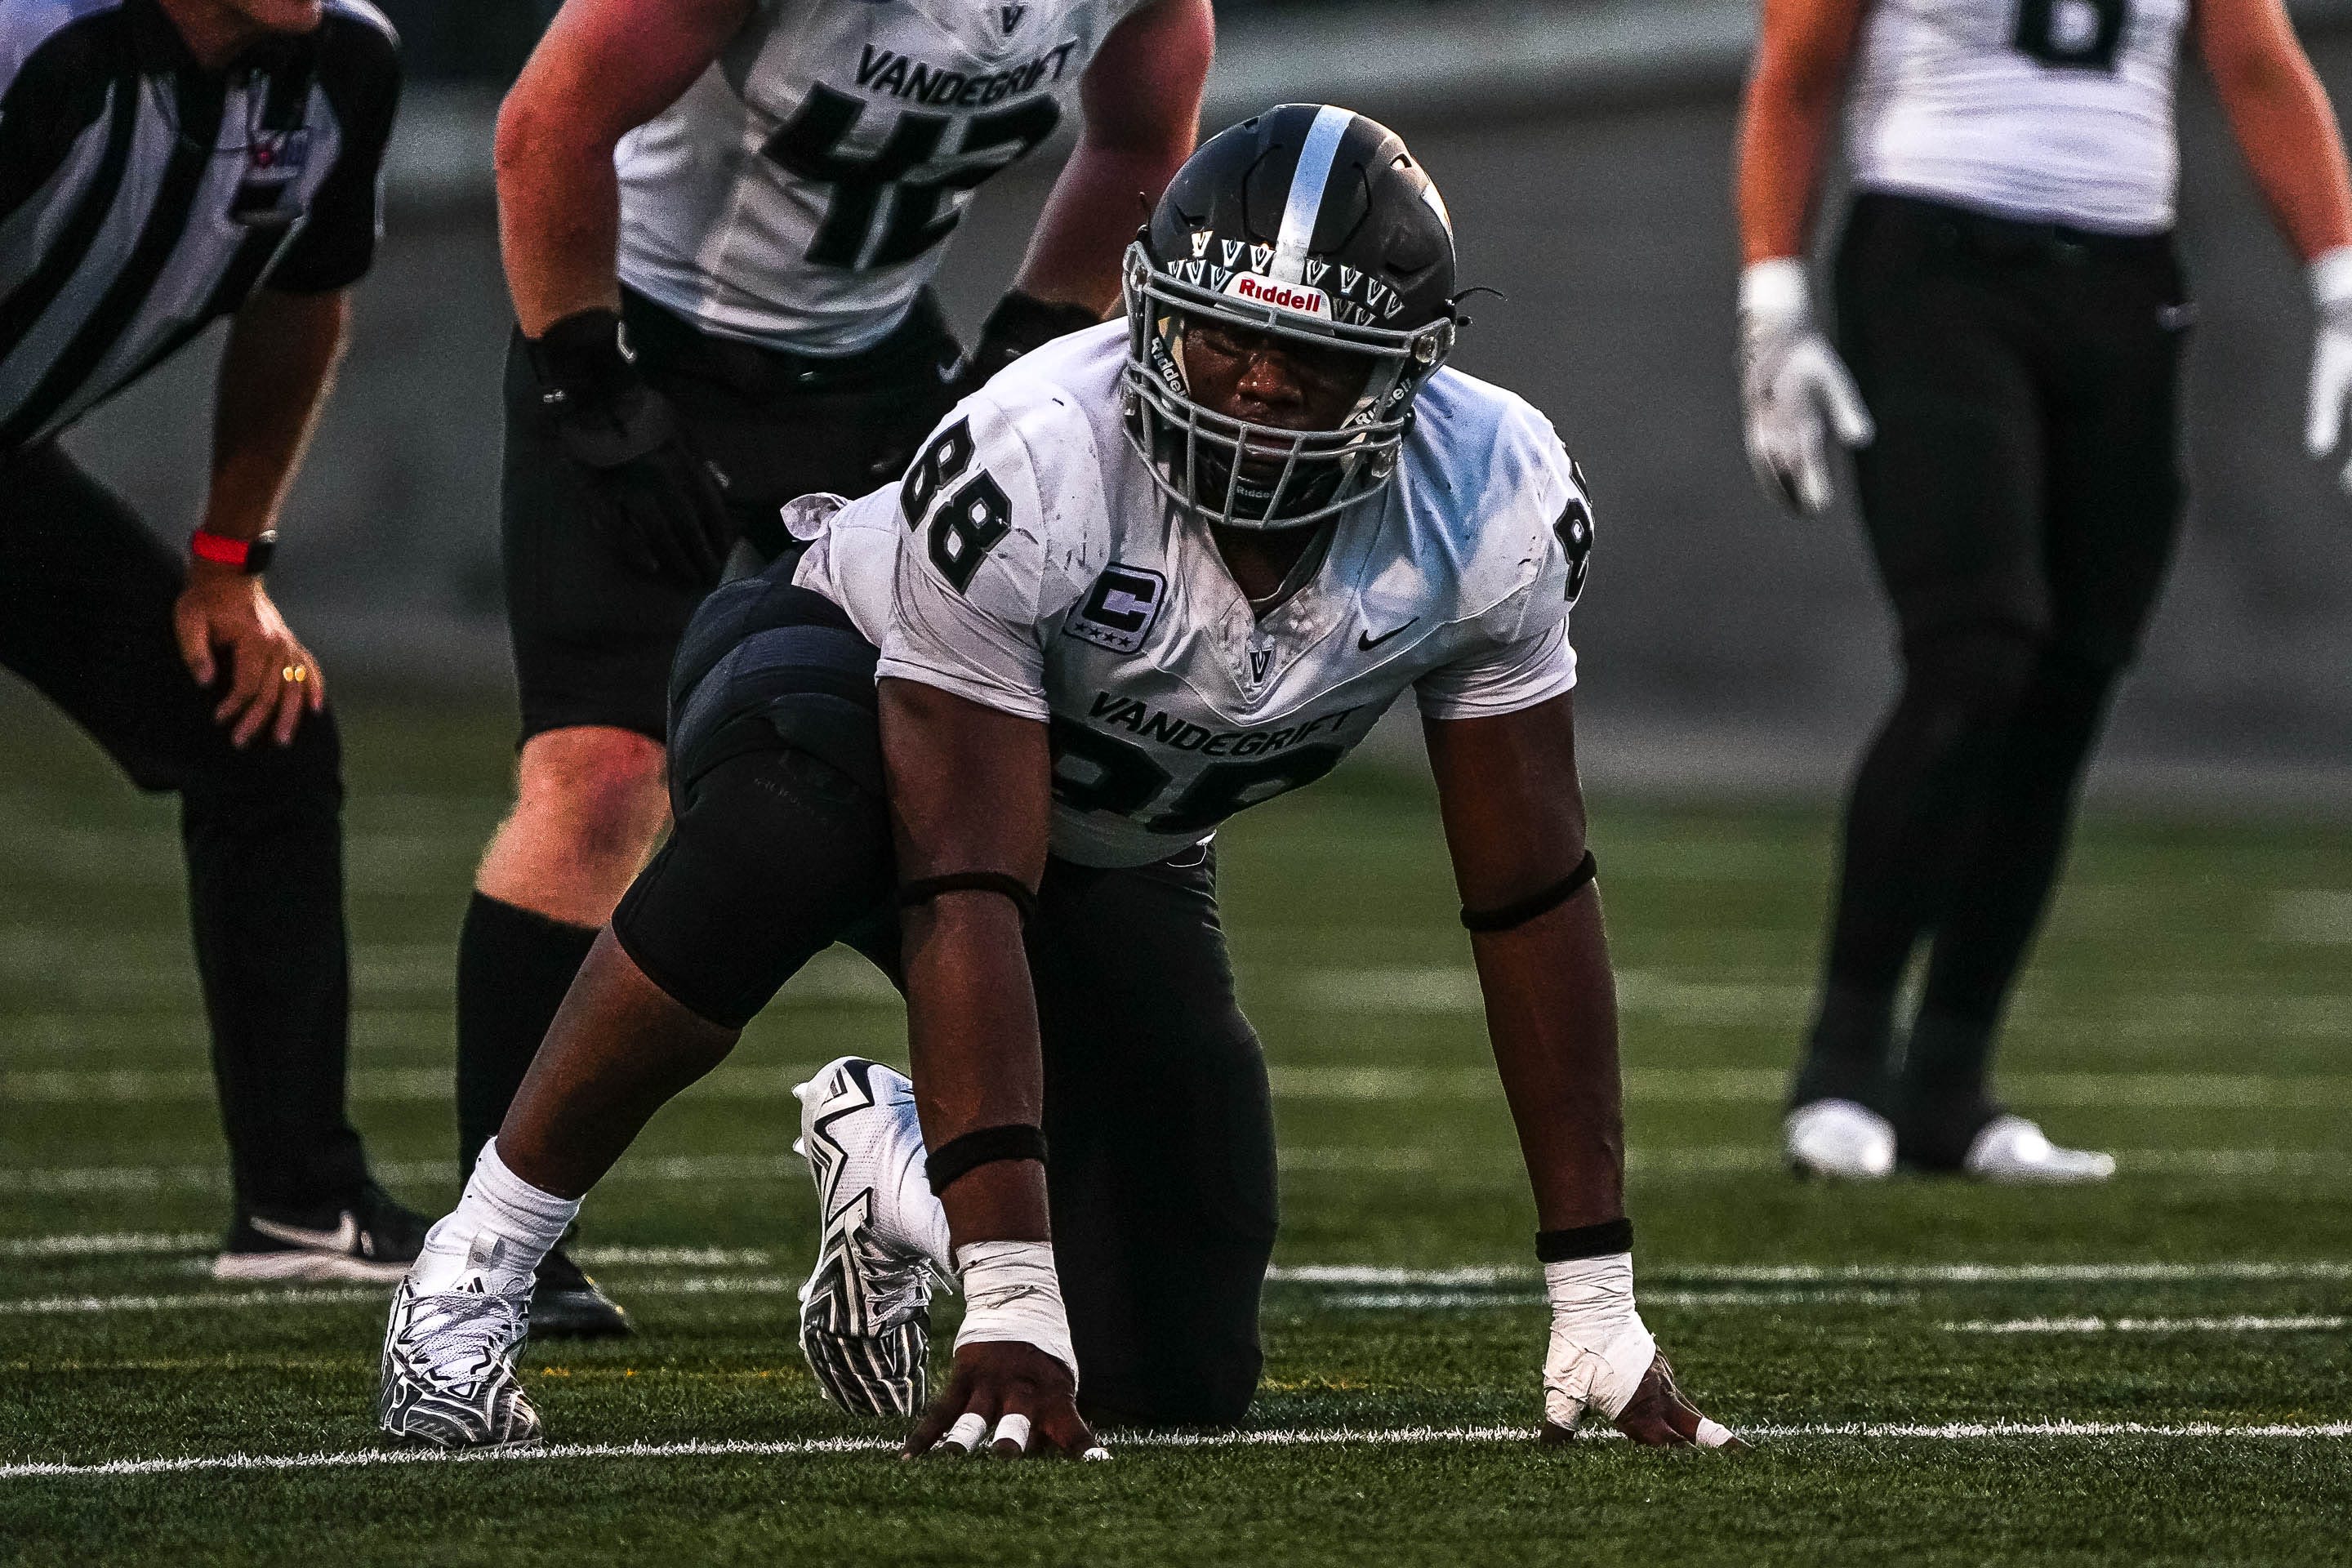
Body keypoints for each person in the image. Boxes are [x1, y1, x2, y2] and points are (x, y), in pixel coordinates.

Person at [376, 105, 1746, 1459]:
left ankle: (901, 1160)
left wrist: (1596, 1301)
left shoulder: (1491, 497)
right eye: (1225, 338)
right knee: (791, 829)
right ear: (1153, 316)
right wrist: (1014, 1308)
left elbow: (1532, 897)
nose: (1259, 385)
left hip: (1118, 834)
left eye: (1308, 357)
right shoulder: (1040, 453)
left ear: (1405, 374)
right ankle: (475, 1267)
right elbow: (968, 886)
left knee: (1173, 1361)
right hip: (841, 678)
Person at [455, 0, 1214, 1337]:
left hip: (870, 362)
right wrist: (588, 380)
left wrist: (1032, 333)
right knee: (598, 778)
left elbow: (1142, 140)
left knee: (976, 779)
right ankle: (496, 1245)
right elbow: (548, 124)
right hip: (640, 332)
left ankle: (972, 1190)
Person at [1735, 0, 2352, 1180]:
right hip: (1934, 259)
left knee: (2073, 672)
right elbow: (1799, 67)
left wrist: (2340, 281)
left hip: (2125, 278)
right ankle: (1842, 1059)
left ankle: (1950, 1084)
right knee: (1978, 644)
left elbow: (2259, 64)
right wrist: (1771, 298)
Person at [0, 0, 424, 1275]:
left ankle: (302, 1199)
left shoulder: (345, 68)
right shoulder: (33, 47)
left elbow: (302, 299)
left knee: (260, 728)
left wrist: (230, 562)